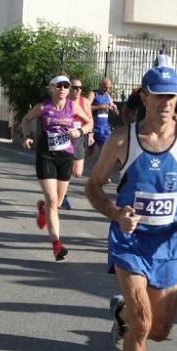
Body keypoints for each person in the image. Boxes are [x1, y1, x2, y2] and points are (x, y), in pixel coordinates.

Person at [85, 65, 177, 351]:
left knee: (159, 330)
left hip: (170, 244)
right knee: (142, 323)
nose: (167, 102)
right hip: (131, 241)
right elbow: (93, 186)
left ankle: (120, 313)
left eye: (172, 96)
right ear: (145, 97)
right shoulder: (121, 141)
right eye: (159, 96)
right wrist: (116, 214)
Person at [20, 74, 92, 260]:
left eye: (65, 86)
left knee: (57, 203)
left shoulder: (73, 106)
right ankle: (56, 245)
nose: (62, 89)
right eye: (58, 86)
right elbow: (25, 120)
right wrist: (26, 136)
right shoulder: (43, 107)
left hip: (66, 157)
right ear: (51, 88)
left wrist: (80, 131)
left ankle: (43, 209)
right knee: (53, 200)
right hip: (46, 156)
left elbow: (89, 122)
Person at [122, 55, 177, 127]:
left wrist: (169, 114)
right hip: (142, 133)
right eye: (159, 96)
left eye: (170, 96)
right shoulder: (139, 92)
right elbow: (126, 112)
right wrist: (131, 131)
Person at [61, 76, 92, 209]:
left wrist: (89, 134)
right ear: (69, 88)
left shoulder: (84, 102)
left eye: (80, 88)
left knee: (78, 172)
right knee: (66, 168)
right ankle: (63, 197)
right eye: (75, 87)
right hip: (65, 137)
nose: (78, 90)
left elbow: (90, 120)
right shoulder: (63, 101)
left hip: (79, 137)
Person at [86, 76, 119, 157]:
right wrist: (100, 107)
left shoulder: (108, 96)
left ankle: (102, 167)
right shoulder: (93, 94)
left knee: (105, 148)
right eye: (105, 87)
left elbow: (116, 113)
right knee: (90, 150)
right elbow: (85, 108)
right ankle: (82, 165)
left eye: (109, 88)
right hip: (93, 127)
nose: (107, 90)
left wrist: (115, 109)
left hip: (104, 128)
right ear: (100, 85)